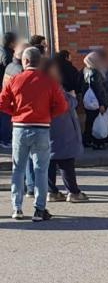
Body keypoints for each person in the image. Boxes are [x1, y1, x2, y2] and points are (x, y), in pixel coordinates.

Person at [0, 47, 67, 221]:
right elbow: (62, 106)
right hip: (42, 127)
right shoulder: (49, 81)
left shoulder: (15, 80)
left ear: (25, 61)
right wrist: (47, 114)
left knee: (18, 169)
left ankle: (17, 208)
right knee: (40, 170)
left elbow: (2, 103)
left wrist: (15, 112)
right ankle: (39, 209)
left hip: (20, 127)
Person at [44, 60, 87, 203]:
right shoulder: (53, 86)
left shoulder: (39, 85)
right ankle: (73, 192)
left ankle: (51, 191)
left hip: (47, 127)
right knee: (66, 162)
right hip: (61, 127)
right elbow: (66, 104)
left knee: (50, 161)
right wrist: (73, 98)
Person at [82, 51, 108, 149]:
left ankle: (88, 140)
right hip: (97, 101)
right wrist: (101, 104)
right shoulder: (95, 72)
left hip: (88, 101)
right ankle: (98, 142)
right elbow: (98, 89)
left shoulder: (85, 70)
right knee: (98, 121)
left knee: (90, 121)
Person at [0, 32, 18, 148]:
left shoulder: (2, 51)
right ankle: (4, 139)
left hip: (3, 87)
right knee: (5, 115)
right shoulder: (7, 55)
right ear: (11, 43)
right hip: (5, 87)